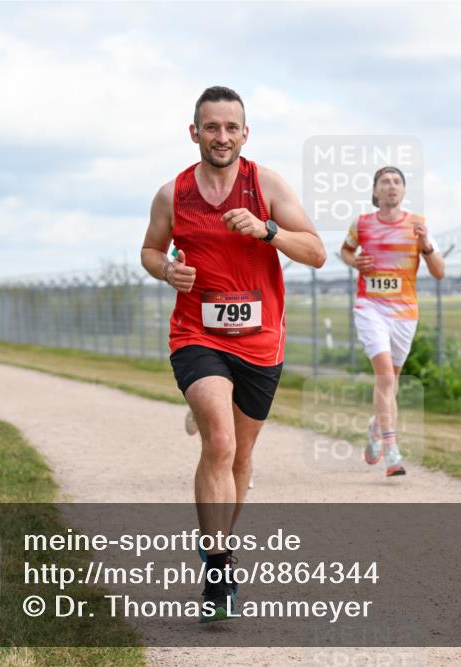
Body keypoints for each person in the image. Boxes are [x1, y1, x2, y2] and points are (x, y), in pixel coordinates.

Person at [140, 86, 325, 622]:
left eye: (231, 127)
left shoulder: (265, 184)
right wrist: (166, 270)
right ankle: (219, 568)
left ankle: (215, 539)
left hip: (262, 342)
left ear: (245, 133)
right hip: (197, 332)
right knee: (218, 440)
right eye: (211, 127)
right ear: (193, 132)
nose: (222, 136)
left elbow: (314, 251)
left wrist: (268, 230)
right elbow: (150, 250)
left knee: (241, 457)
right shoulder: (172, 194)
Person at [339, 166, 445, 477]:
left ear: (403, 191)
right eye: (385, 182)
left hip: (404, 313)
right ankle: (392, 450)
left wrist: (426, 246)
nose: (391, 186)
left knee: (391, 382)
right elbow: (345, 251)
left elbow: (440, 272)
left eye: (397, 182)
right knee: (385, 376)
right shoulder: (362, 224)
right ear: (375, 191)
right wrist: (353, 261)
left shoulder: (418, 225)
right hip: (370, 307)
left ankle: (376, 424)